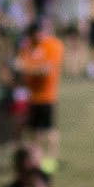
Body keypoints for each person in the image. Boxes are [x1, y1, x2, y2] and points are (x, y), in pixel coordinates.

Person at [14, 19, 64, 173]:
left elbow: (46, 69)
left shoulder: (53, 45)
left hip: (47, 96)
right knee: (32, 133)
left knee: (49, 132)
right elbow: (19, 63)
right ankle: (35, 161)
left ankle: (50, 162)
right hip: (30, 97)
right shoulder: (28, 46)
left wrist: (26, 68)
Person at [54, 0, 90, 77]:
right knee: (69, 43)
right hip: (68, 19)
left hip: (81, 19)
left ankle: (79, 67)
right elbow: (62, 4)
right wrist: (63, 18)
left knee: (81, 43)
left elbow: (87, 3)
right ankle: (70, 68)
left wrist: (85, 19)